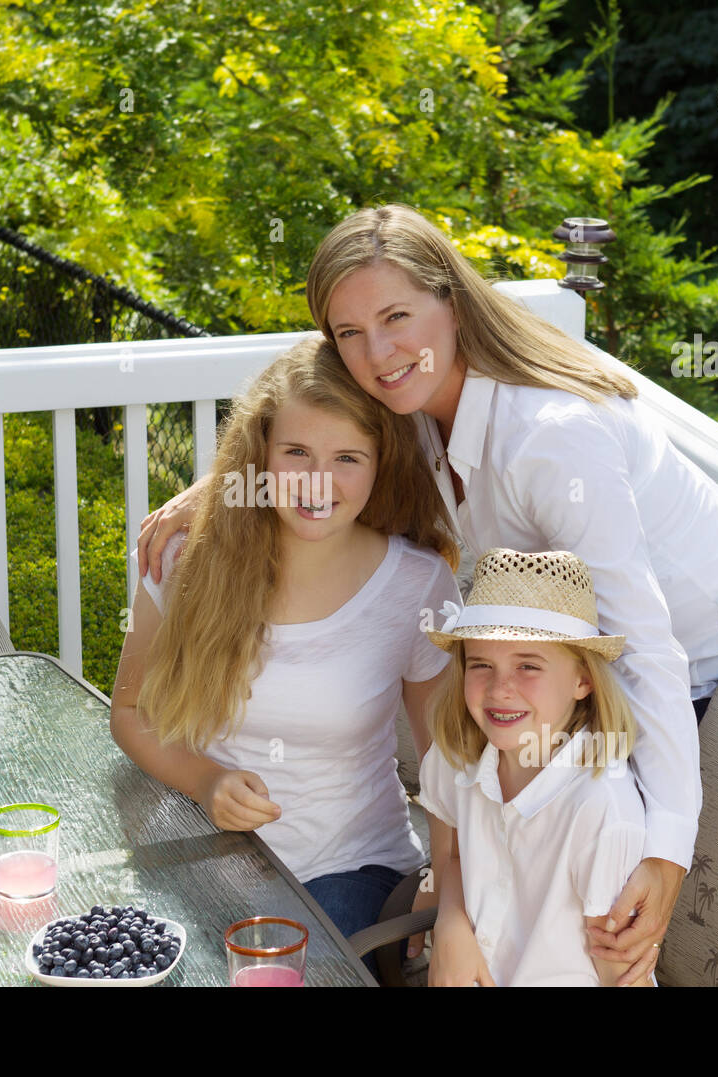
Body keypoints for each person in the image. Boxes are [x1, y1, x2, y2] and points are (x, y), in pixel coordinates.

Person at [137, 203, 718, 985]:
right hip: (597, 661)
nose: (379, 351)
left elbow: (646, 645)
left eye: (399, 315)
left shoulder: (547, 438)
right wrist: (220, 482)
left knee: (688, 917)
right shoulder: (413, 404)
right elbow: (301, 409)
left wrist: (668, 847)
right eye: (351, 331)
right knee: (564, 889)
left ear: (454, 301)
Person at [109, 335, 462, 964]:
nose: (317, 482)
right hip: (205, 854)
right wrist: (206, 780)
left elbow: (449, 761)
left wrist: (444, 883)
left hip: (353, 873)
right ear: (259, 453)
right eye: (296, 451)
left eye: (347, 457)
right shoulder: (182, 558)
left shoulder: (416, 584)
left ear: (381, 463)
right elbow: (131, 714)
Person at [419, 547, 652, 986]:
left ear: (583, 679)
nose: (500, 689)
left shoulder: (600, 808)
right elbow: (453, 856)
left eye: (528, 665)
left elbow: (622, 978)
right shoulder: (457, 759)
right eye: (481, 665)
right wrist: (450, 922)